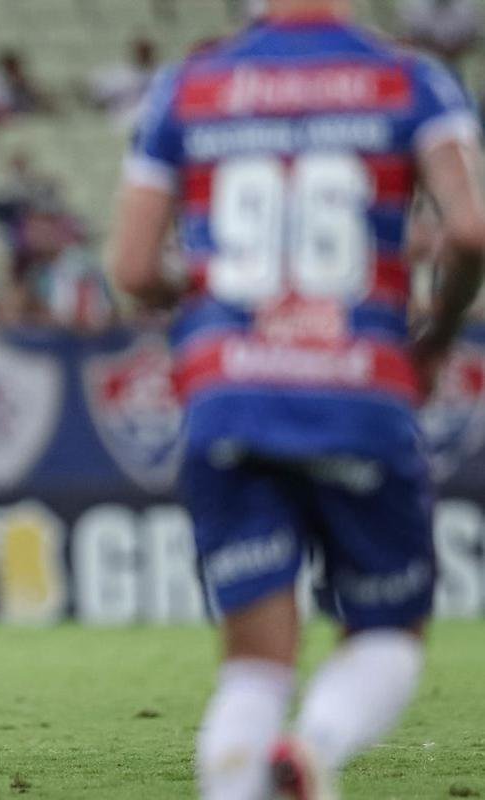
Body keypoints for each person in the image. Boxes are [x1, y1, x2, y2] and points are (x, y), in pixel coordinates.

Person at [111, 0, 485, 797]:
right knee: (387, 633)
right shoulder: (412, 80)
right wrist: (436, 338)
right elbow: (471, 231)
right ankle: (312, 747)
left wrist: (214, 296)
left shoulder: (189, 86)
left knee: (253, 666)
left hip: (231, 396)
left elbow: (134, 269)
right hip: (360, 392)